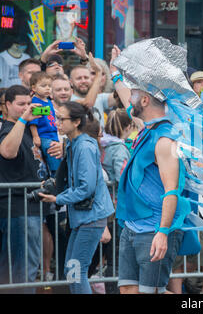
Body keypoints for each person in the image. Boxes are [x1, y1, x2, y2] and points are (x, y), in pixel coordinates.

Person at [38, 101, 115, 294]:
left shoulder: (84, 147)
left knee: (76, 271)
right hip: (83, 216)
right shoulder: (74, 144)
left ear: (76, 122)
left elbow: (86, 188)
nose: (57, 123)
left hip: (91, 217)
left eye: (61, 119)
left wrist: (57, 199)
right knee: (72, 270)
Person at [115, 89, 185, 294]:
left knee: (152, 292)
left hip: (154, 229)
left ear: (145, 100)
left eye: (134, 95)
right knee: (128, 289)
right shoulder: (147, 129)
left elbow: (172, 189)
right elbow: (128, 102)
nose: (129, 99)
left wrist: (163, 232)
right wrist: (116, 76)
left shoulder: (165, 140)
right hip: (131, 226)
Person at [0, 85, 50, 293]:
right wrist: (22, 120)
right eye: (21, 105)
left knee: (17, 269)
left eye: (30, 104)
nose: (27, 109)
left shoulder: (29, 129)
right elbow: (7, 152)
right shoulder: (9, 128)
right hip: (19, 208)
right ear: (7, 105)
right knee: (23, 270)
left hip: (29, 207)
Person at [28, 72, 61, 177]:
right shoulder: (36, 101)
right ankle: (55, 175)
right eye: (43, 86)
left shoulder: (48, 101)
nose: (47, 88)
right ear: (33, 87)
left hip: (53, 135)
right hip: (44, 136)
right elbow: (33, 121)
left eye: (49, 86)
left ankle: (58, 173)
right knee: (52, 153)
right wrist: (36, 136)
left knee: (57, 154)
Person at [101, 108, 132, 184]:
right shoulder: (119, 150)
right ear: (128, 127)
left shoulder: (102, 143)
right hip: (114, 194)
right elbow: (122, 178)